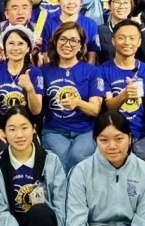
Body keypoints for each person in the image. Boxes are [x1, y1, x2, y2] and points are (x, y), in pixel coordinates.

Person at [40, 22, 105, 170]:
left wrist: (78, 102)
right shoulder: (44, 71)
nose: (67, 44)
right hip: (54, 130)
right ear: (55, 42)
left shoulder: (92, 71)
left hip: (85, 130)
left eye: (74, 40)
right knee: (60, 161)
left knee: (77, 157)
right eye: (63, 39)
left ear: (81, 46)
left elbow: (95, 109)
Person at [99, 19, 145, 167]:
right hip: (114, 135)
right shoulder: (102, 70)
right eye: (121, 38)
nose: (127, 42)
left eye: (132, 38)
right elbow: (109, 107)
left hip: (141, 135)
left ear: (139, 42)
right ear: (113, 41)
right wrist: (124, 95)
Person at [0, 27, 44, 147]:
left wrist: (30, 89)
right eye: (11, 43)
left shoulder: (35, 73)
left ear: (28, 48)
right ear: (4, 47)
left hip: (26, 127)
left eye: (20, 44)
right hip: (2, 127)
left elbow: (36, 110)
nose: (15, 48)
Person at [40, 0, 102, 64]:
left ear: (81, 0)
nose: (71, 2)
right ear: (58, 0)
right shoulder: (49, 24)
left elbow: (92, 57)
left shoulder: (90, 24)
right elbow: (46, 54)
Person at [0, 0, 37, 68]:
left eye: (24, 8)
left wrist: (35, 56)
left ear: (30, 12)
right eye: (15, 8)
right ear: (6, 14)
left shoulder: (39, 31)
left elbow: (44, 63)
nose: (20, 12)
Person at [98, 0, 137, 64]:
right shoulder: (100, 30)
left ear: (131, 5)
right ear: (109, 5)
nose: (121, 6)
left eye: (125, 2)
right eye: (117, 2)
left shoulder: (137, 30)